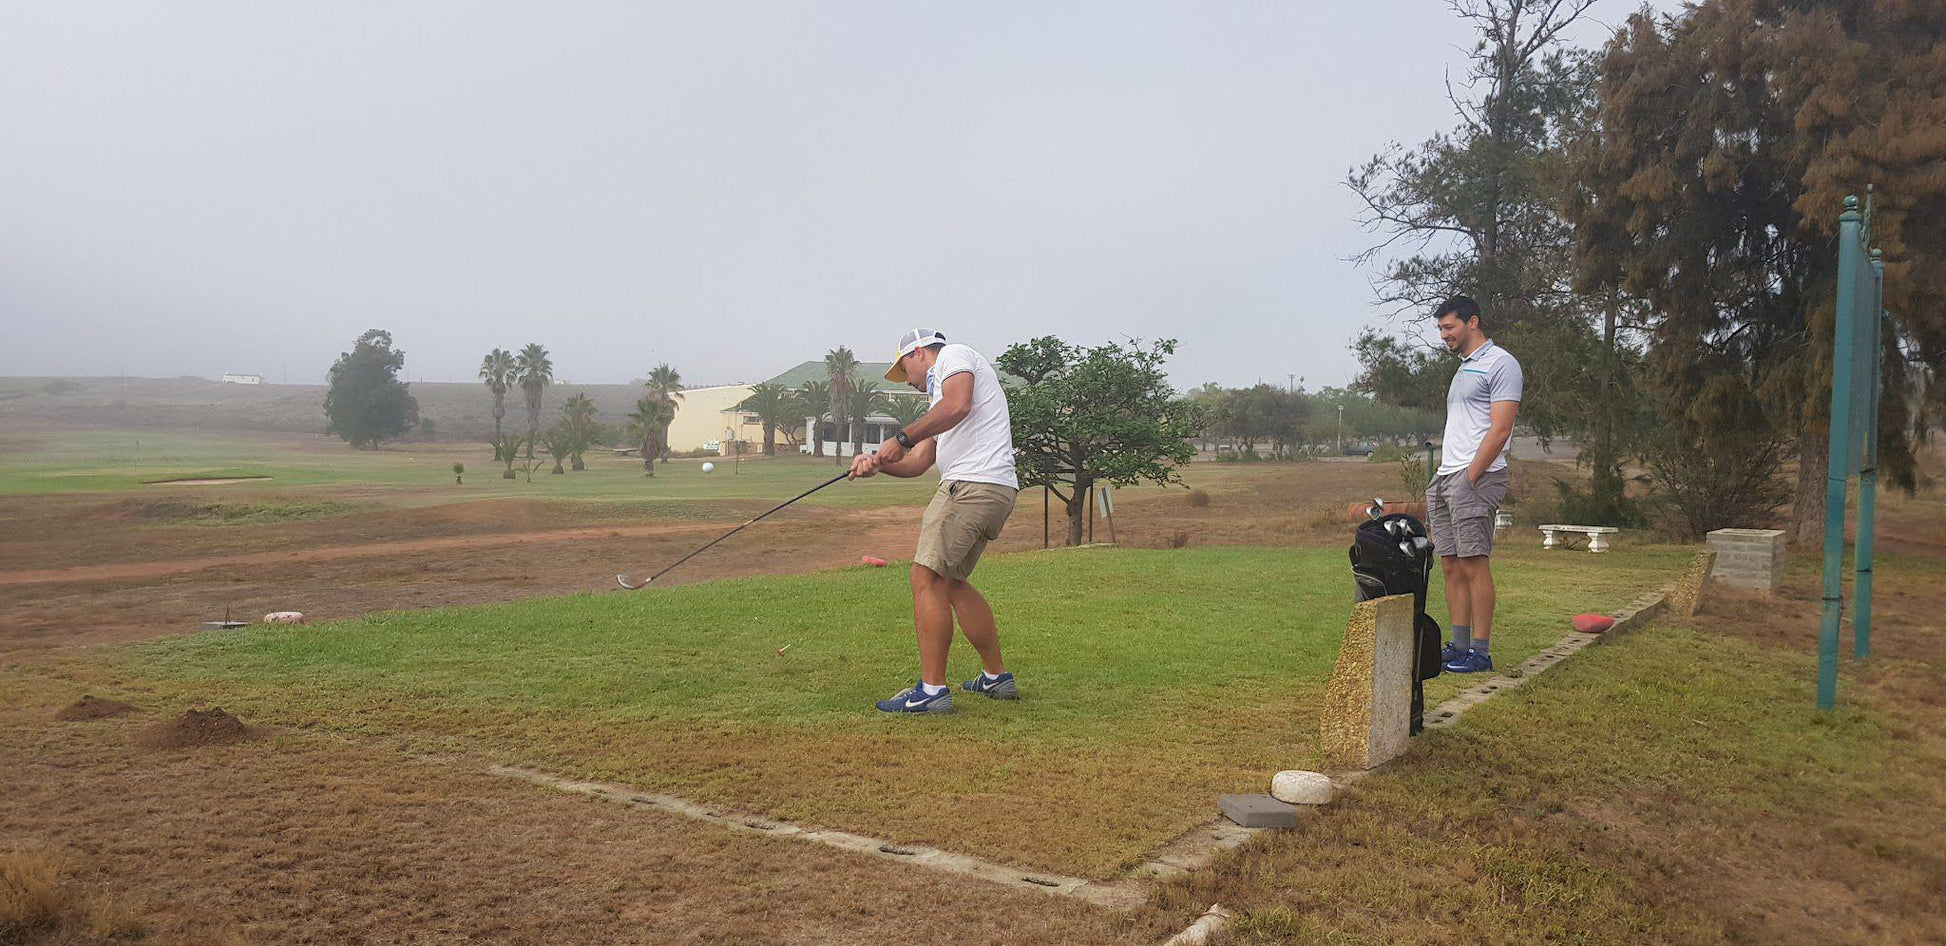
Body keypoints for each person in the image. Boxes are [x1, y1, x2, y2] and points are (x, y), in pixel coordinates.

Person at [848, 329, 1020, 714]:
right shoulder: (938, 400)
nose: (907, 381)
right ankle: (996, 678)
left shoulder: (954, 357)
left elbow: (957, 406)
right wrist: (878, 465)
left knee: (925, 578)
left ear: (920, 352)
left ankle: (932, 691)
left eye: (904, 368)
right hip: (993, 488)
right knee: (951, 583)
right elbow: (919, 462)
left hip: (971, 485)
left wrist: (902, 437)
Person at [1425, 296, 1523, 674]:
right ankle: (1459, 644)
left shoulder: (1501, 364)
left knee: (1473, 563)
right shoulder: (1464, 369)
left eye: (1449, 327)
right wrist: (1445, 477)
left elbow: (1500, 429)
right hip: (1448, 476)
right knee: (1450, 564)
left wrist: (1469, 477)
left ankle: (1480, 652)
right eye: (1441, 329)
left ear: (1473, 322)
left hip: (1477, 477)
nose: (1444, 335)